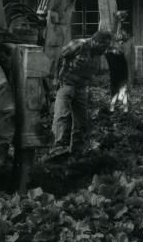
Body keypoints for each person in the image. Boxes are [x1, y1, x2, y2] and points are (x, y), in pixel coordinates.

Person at [48, 29, 113, 159]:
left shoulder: (98, 53)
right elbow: (59, 57)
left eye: (107, 46)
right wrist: (54, 79)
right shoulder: (80, 44)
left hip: (82, 88)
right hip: (67, 84)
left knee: (81, 121)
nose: (105, 49)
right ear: (95, 41)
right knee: (62, 115)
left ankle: (76, 153)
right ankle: (57, 148)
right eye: (103, 46)